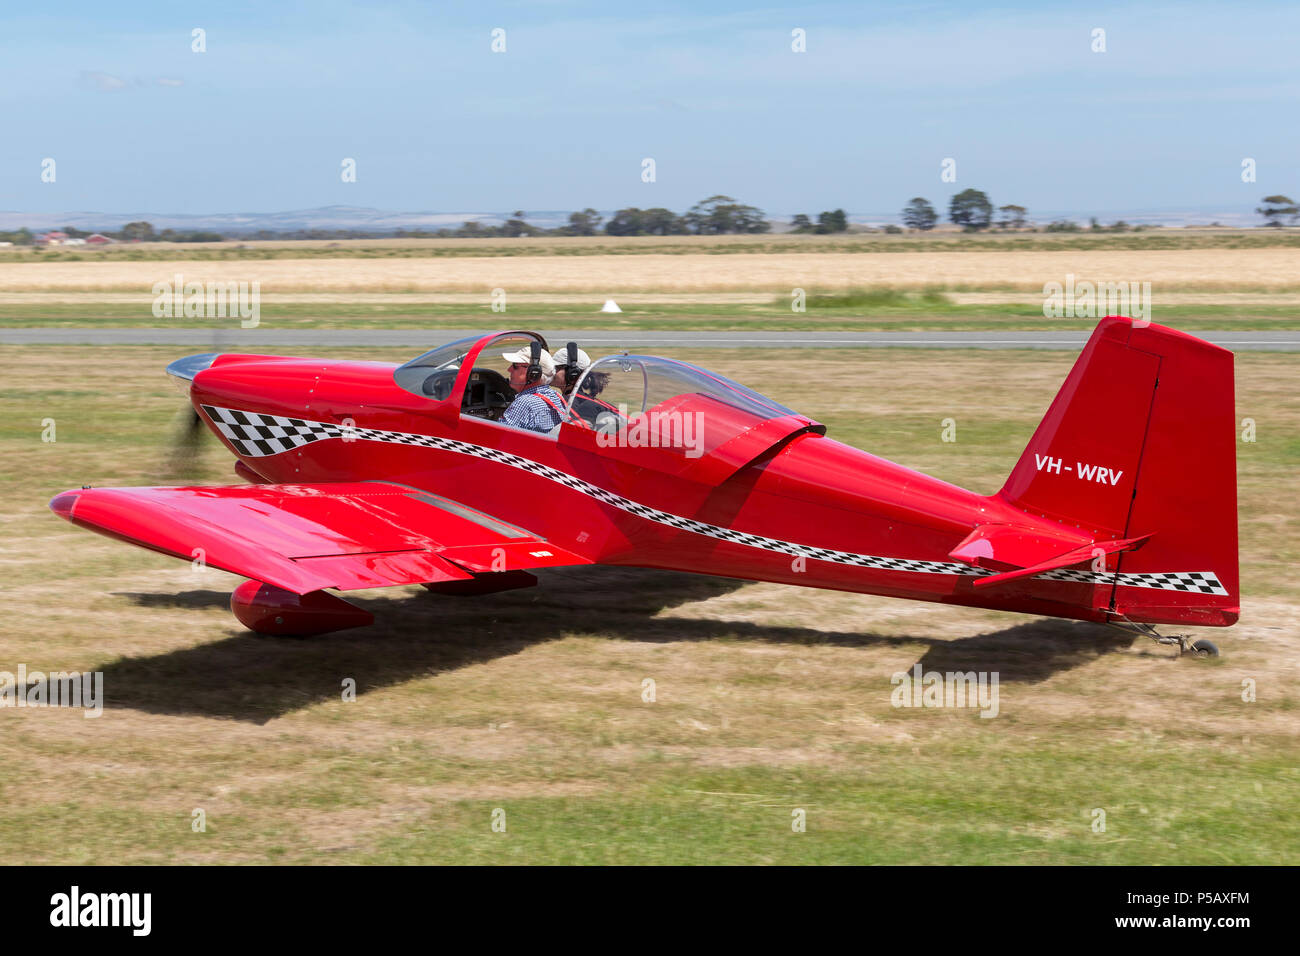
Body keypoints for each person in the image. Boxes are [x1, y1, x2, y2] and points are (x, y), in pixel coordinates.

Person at [499, 346, 566, 432]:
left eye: (515, 366)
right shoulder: (557, 396)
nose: (509, 369)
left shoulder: (524, 403)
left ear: (534, 373)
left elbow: (498, 437)